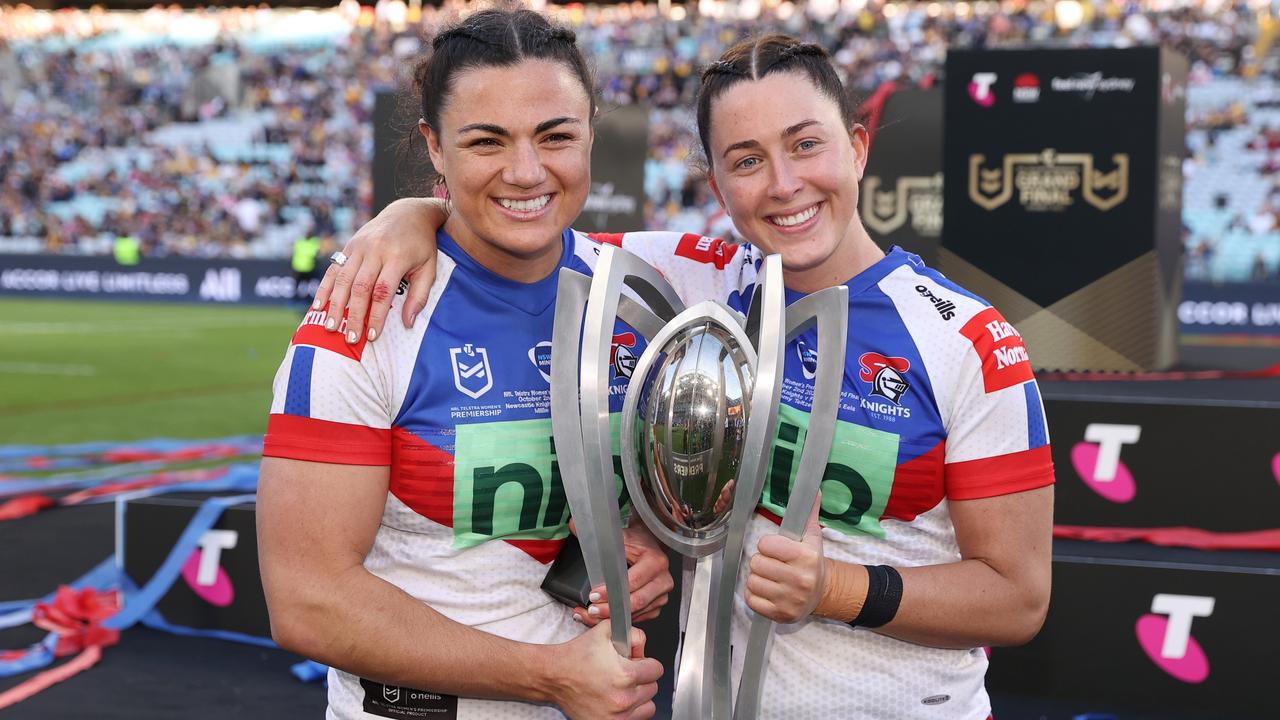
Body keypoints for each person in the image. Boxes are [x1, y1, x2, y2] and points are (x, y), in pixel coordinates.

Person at [316, 32, 1054, 720]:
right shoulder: (695, 283)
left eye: (806, 145)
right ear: (717, 182)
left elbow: (1016, 599)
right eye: (746, 159)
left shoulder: (968, 340)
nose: (785, 184)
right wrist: (411, 215)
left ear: (857, 148)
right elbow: (518, 223)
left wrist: (837, 590)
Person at [257, 10, 673, 720]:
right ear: (435, 148)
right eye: (486, 141)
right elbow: (308, 601)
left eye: (556, 136)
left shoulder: (644, 292)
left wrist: (646, 545)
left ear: (591, 133)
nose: (527, 171)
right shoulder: (362, 315)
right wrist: (550, 677)